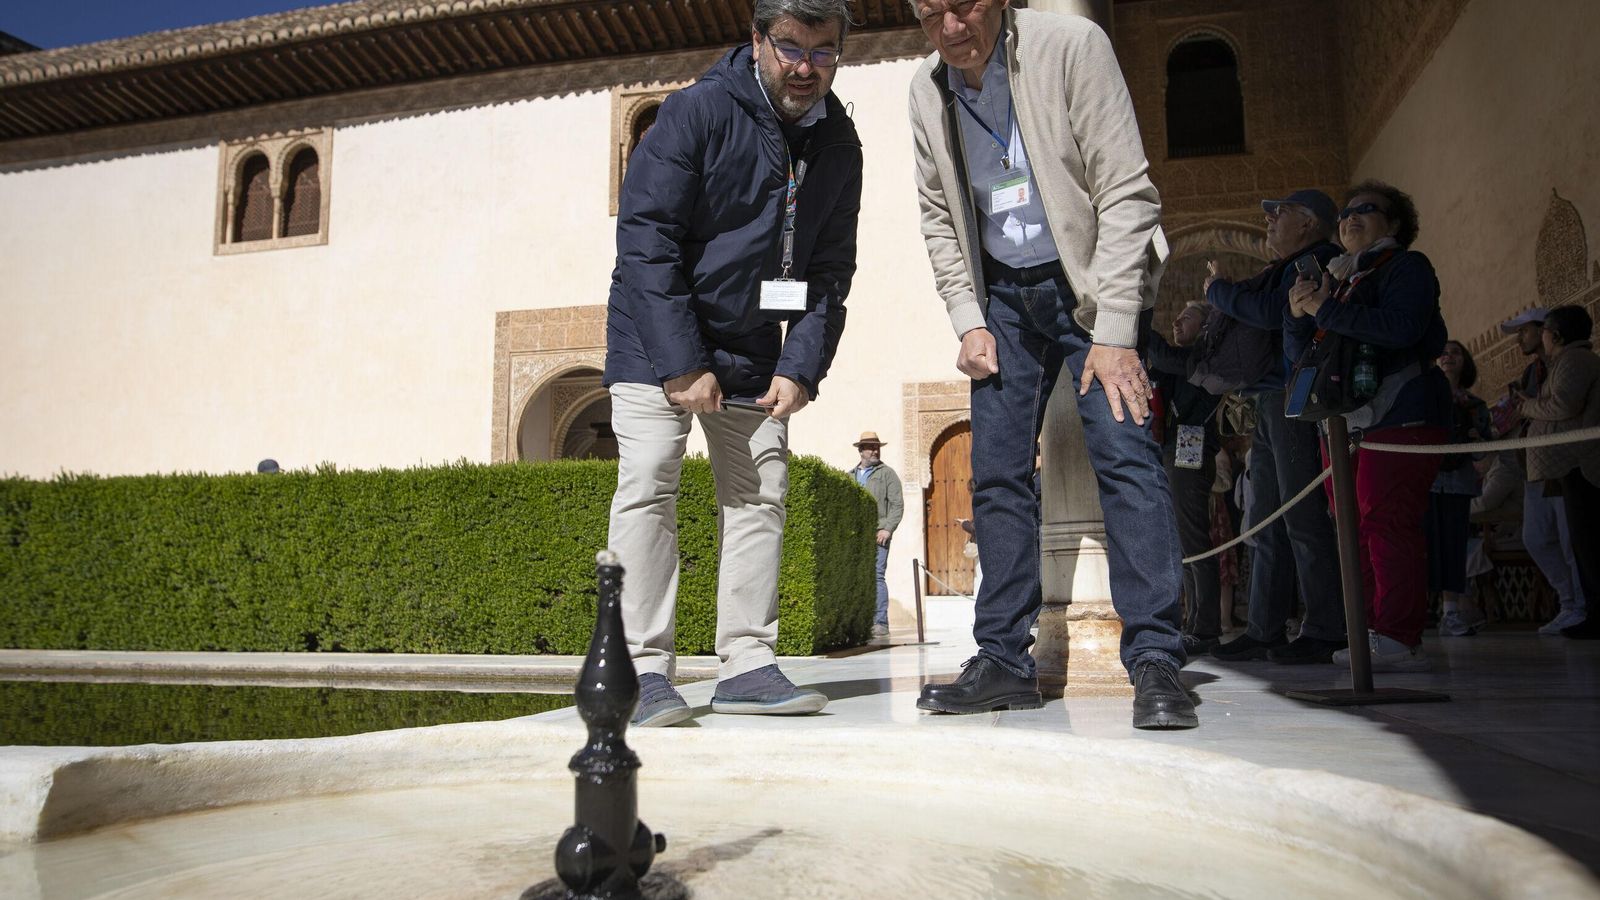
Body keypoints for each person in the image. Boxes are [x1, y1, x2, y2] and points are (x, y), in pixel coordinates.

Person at [906, 0, 1195, 729]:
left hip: (1090, 284)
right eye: (928, 11)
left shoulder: (1074, 44)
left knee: (1124, 453)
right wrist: (967, 317)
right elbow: (939, 216)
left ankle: (1156, 658)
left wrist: (1118, 328)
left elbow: (1127, 193)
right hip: (1002, 295)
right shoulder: (926, 89)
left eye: (962, 4)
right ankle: (1003, 659)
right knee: (998, 472)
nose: (949, 27)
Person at [603, 0, 862, 727]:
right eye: (790, 48)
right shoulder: (696, 113)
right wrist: (681, 362)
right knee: (650, 483)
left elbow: (830, 268)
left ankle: (746, 664)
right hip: (653, 334)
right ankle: (641, 671)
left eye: (823, 52)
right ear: (756, 40)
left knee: (759, 492)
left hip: (752, 346)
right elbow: (646, 239)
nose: (806, 68)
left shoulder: (839, 142)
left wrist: (802, 366)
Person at [1285, 180, 1450, 672]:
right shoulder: (1341, 278)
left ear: (1394, 223)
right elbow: (1310, 353)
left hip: (1400, 413)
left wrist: (1326, 308)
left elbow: (1402, 328)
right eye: (1346, 213)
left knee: (1386, 523)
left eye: (1366, 211)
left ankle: (1399, 635)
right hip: (1344, 424)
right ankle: (1369, 631)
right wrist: (1299, 314)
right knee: (1352, 531)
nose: (1351, 218)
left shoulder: (1406, 267)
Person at [1205, 189, 1347, 665]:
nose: (1268, 220)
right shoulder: (1282, 268)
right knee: (1263, 519)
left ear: (1308, 223)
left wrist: (1218, 292)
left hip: (1295, 397)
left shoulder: (1318, 260)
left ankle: (1326, 628)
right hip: (1271, 399)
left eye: (1279, 213)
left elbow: (1270, 313)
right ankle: (1264, 629)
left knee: (1301, 518)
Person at [1499, 307, 1590, 634]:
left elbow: (1563, 406)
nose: (1521, 338)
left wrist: (1526, 405)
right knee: (1536, 538)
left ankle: (1580, 607)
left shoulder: (1571, 362)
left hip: (1566, 462)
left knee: (1571, 540)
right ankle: (1570, 603)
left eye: (1525, 331)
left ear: (1547, 331)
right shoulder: (1532, 373)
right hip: (1538, 465)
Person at [1147, 303, 1224, 655]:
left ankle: (1205, 626)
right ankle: (1192, 621)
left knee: (1194, 540)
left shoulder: (1203, 355)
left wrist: (1137, 321)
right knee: (1181, 542)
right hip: (1173, 447)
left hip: (1191, 447)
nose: (1176, 319)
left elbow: (1162, 357)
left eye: (1186, 316)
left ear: (1206, 325)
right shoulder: (1181, 358)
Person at [1428, 340, 1491, 636]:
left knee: (1454, 547)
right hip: (1427, 481)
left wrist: (1477, 440)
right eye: (1444, 352)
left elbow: (1483, 454)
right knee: (1425, 546)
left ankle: (1451, 613)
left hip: (1458, 483)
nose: (1448, 356)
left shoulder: (1475, 406)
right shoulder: (1425, 399)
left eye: (1455, 352)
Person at [847, 431, 904, 638]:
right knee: (856, 578)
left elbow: (897, 504)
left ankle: (880, 622)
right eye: (870, 447)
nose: (875, 450)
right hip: (855, 536)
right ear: (861, 451)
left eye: (877, 446)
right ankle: (858, 623)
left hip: (877, 534)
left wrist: (887, 528)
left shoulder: (887, 473)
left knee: (877, 576)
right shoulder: (850, 475)